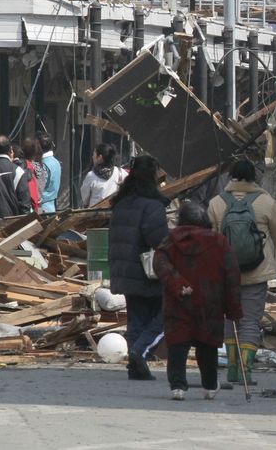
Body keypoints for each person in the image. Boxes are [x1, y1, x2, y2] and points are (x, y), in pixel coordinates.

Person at [208, 159, 276, 389]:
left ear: (231, 177)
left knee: (229, 319)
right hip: (257, 273)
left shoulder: (216, 203)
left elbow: (209, 241)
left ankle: (233, 370)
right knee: (249, 322)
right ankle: (247, 369)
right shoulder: (266, 202)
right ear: (254, 177)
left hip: (226, 274)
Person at [154, 201, 243, 401]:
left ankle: (178, 386)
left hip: (179, 301)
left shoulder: (169, 242)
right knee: (207, 344)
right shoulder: (219, 242)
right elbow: (232, 275)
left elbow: (160, 265)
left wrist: (178, 284)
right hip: (210, 301)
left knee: (178, 343)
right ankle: (210, 386)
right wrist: (234, 309)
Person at [107, 155, 170, 381]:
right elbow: (158, 239)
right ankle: (139, 352)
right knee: (164, 315)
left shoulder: (121, 203)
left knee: (136, 317)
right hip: (147, 272)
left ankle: (136, 367)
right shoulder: (152, 206)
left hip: (124, 270)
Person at [14, 140, 41, 214]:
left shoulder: (16, 165)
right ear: (34, 154)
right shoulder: (29, 167)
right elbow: (33, 195)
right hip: (27, 210)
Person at [38, 133, 61, 213]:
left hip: (42, 208)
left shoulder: (42, 164)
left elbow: (39, 189)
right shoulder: (56, 162)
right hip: (52, 206)